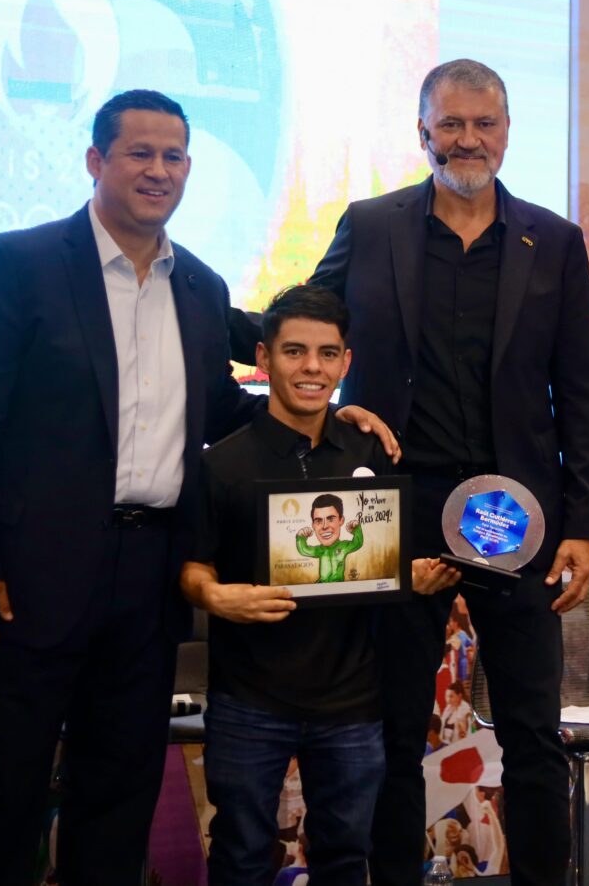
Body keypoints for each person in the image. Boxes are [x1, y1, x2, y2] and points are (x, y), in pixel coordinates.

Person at [0, 89, 396, 886]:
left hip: (148, 581)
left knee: (119, 796)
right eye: (139, 152)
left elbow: (219, 408)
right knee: (4, 795)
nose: (158, 170)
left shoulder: (199, 287)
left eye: (173, 156)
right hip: (29, 580)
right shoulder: (19, 264)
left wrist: (330, 418)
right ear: (95, 160)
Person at [232, 59, 589, 885]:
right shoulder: (371, 225)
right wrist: (201, 321)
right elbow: (300, 320)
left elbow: (580, 388)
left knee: (532, 733)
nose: (467, 139)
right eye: (451, 124)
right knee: (391, 731)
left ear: (506, 133)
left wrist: (586, 523)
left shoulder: (555, 241)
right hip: (394, 510)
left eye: (484, 124)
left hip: (517, 514)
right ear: (423, 131)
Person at [181, 284, 456, 886]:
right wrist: (213, 595)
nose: (312, 368)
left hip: (351, 702)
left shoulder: (372, 449)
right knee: (240, 857)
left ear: (346, 362)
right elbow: (193, 568)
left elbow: (386, 560)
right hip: (248, 700)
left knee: (346, 856)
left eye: (327, 354)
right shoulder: (220, 464)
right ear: (263, 357)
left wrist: (413, 577)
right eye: (295, 351)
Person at [295, 494, 363, 583]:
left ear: (341, 520)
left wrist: (356, 530)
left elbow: (357, 543)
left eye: (330, 519)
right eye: (318, 521)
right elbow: (304, 550)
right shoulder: (319, 550)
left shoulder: (344, 547)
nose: (324, 526)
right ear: (313, 525)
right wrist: (301, 538)